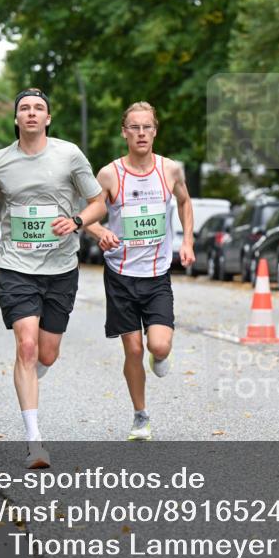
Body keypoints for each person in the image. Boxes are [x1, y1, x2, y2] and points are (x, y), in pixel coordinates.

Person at [0, 88, 105, 469]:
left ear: (48, 118)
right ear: (16, 118)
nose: (31, 113)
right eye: (24, 108)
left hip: (61, 268)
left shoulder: (69, 155)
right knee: (27, 347)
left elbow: (99, 202)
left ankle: (29, 374)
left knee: (47, 353)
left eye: (39, 108)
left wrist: (79, 221)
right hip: (17, 267)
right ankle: (35, 442)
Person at [85, 101, 195, 441]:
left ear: (155, 130)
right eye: (134, 127)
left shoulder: (170, 170)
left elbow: (184, 202)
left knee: (158, 347)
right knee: (133, 349)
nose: (141, 132)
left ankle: (159, 357)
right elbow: (86, 212)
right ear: (125, 132)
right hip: (120, 274)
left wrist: (187, 241)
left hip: (157, 273)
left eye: (147, 126)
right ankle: (140, 416)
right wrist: (100, 231)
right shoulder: (109, 173)